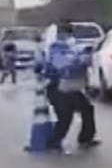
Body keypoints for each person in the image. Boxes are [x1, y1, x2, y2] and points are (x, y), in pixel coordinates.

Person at [39, 20, 99, 151]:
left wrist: (85, 58)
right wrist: (79, 61)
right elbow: (61, 65)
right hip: (56, 88)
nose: (68, 35)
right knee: (65, 116)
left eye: (69, 32)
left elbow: (78, 65)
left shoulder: (71, 47)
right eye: (65, 32)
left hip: (70, 87)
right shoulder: (54, 48)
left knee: (86, 109)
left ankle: (85, 138)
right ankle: (53, 142)